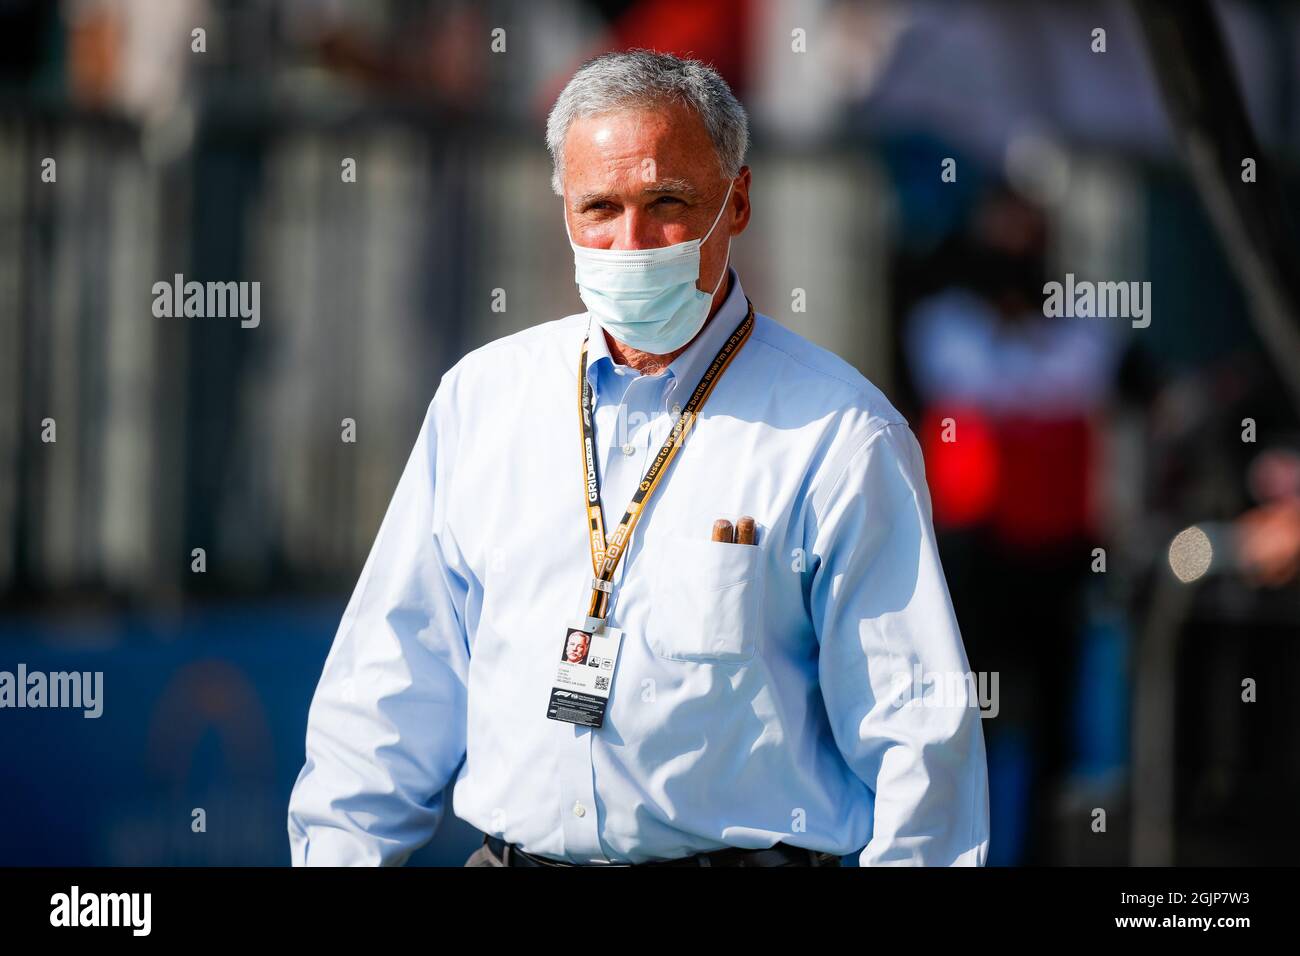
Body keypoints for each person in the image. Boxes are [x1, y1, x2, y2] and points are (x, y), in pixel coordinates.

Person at [288, 49, 988, 868]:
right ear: (563, 211)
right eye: (600, 207)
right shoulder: (482, 402)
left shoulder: (839, 435)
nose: (631, 241)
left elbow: (918, 742)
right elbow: (388, 689)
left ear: (738, 203)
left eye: (667, 202)